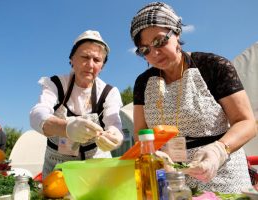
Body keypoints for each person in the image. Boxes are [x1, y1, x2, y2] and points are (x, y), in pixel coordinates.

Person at [130, 2, 257, 193]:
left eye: (159, 41)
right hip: (170, 178)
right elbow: (141, 133)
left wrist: (219, 150)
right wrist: (154, 156)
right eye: (145, 49)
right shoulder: (143, 83)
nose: (154, 53)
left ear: (176, 33)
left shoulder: (214, 66)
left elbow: (246, 122)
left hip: (222, 175)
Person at [30, 30, 124, 179]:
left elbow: (114, 123)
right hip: (57, 168)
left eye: (97, 60)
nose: (90, 65)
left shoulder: (108, 92)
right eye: (85, 57)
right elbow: (37, 115)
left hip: (97, 165)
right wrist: (66, 128)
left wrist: (115, 136)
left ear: (102, 66)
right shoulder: (56, 84)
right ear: (72, 59)